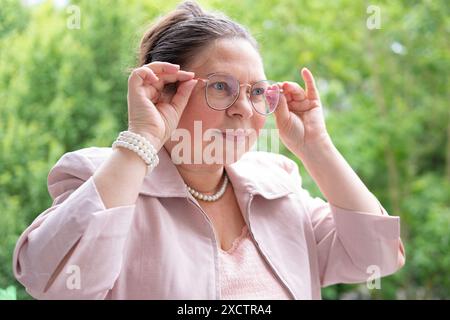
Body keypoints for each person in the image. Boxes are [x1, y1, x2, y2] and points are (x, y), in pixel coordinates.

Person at [13, 1, 405, 300]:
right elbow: (53, 282)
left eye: (255, 91)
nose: (242, 107)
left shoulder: (280, 190)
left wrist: (316, 147)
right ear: (167, 90)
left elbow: (377, 257)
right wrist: (143, 137)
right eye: (220, 86)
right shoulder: (102, 180)